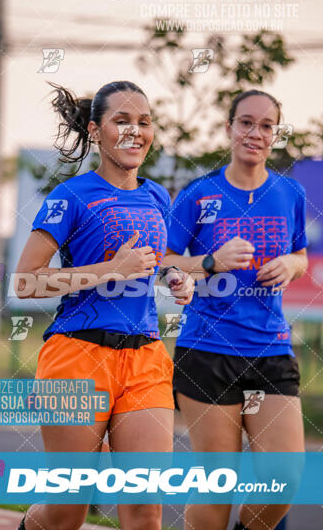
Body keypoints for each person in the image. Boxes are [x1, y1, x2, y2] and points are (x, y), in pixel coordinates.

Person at [14, 80, 194, 530]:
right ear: (95, 130)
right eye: (122, 121)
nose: (135, 131)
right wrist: (111, 268)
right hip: (76, 356)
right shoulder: (70, 197)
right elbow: (25, 281)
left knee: (145, 510)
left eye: (144, 122)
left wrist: (174, 277)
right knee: (66, 511)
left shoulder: (157, 196)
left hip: (145, 357)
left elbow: (153, 261)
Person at [162, 89, 308, 530]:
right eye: (246, 123)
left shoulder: (291, 193)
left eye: (266, 126)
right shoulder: (198, 195)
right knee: (216, 489)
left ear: (275, 135)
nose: (256, 133)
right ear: (229, 129)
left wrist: (292, 263)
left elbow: (301, 254)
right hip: (207, 352)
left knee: (281, 482)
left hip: (270, 351)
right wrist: (206, 264)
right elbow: (164, 261)